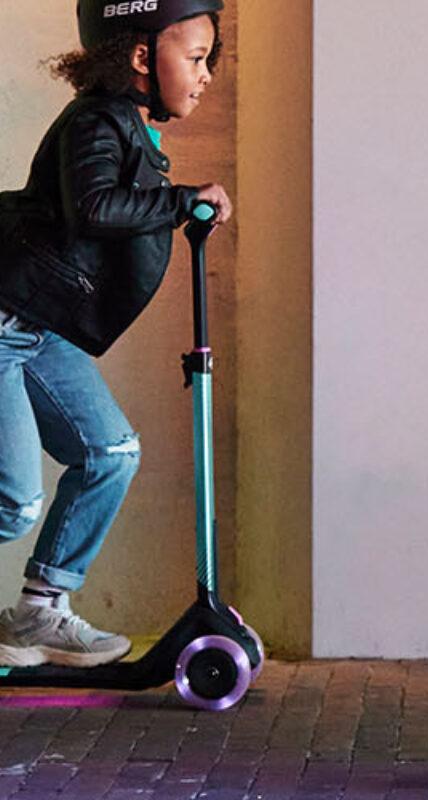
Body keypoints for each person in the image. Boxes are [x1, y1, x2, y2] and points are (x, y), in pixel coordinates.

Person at [0, 0, 232, 668]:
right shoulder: (97, 121)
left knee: (110, 453)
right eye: (195, 58)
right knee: (13, 503)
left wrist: (180, 206)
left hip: (37, 328)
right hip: (5, 321)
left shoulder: (125, 125)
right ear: (139, 56)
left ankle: (39, 611)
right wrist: (181, 197)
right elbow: (96, 206)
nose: (206, 74)